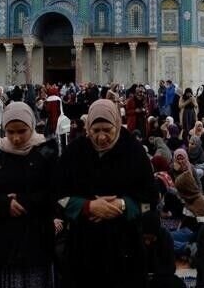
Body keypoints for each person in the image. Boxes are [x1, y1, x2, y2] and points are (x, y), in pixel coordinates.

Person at [55, 99, 156, 288]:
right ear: (87, 128)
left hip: (125, 248)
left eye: (107, 130)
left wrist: (122, 205)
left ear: (117, 125)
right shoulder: (75, 153)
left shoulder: (133, 152)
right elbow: (57, 195)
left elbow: (149, 199)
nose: (101, 138)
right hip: (82, 248)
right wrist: (88, 207)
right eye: (96, 130)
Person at [0, 101, 56, 287]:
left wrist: (25, 202)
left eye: (21, 131)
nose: (16, 138)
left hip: (35, 238)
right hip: (0, 239)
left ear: (32, 126)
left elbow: (55, 193)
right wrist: (3, 203)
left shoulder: (46, 153)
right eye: (10, 132)